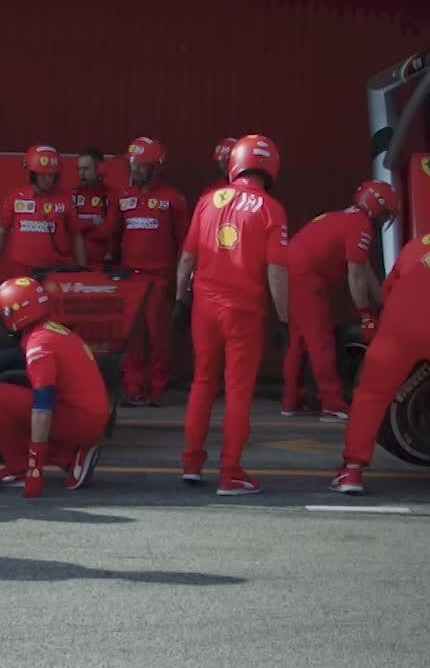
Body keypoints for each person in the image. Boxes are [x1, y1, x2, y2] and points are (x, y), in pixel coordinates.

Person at [175, 134, 288, 495]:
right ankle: (230, 473)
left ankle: (191, 463)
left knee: (202, 384)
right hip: (244, 312)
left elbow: (187, 260)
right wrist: (284, 319)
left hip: (205, 309)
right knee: (238, 392)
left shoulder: (207, 202)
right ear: (269, 167)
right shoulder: (271, 208)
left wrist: (180, 301)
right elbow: (276, 272)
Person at [282, 180, 398, 422]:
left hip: (293, 271)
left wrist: (386, 304)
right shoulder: (361, 226)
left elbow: (365, 272)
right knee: (321, 342)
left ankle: (292, 400)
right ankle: (332, 403)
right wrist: (367, 313)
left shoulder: (350, 219)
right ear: (377, 208)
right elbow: (356, 276)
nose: (385, 221)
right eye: (386, 214)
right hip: (306, 278)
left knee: (300, 340)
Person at [0, 276, 109, 497]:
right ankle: (69, 458)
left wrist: (35, 468)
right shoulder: (53, 331)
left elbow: (43, 406)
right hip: (89, 414)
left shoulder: (38, 345)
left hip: (81, 420)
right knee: (17, 400)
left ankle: (24, 466)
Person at [334, 233, 430, 494]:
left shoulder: (417, 244)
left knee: (369, 397)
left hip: (398, 332)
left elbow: (388, 290)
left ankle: (351, 471)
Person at [105, 136, 188, 407]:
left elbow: (184, 243)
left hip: (158, 279)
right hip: (129, 277)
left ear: (155, 168)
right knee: (133, 337)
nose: (135, 170)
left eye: (141, 165)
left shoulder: (172, 200)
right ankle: (132, 387)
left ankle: (157, 388)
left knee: (158, 337)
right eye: (133, 165)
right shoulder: (123, 198)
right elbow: (112, 235)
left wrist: (181, 282)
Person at [0, 144, 86, 281]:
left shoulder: (66, 200)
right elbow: (2, 232)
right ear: (32, 174)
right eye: (44, 175)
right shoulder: (16, 198)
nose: (49, 180)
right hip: (21, 273)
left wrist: (82, 269)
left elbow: (76, 236)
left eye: (52, 175)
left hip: (55, 273)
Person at [72, 147, 116, 269]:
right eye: (79, 169)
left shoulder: (112, 195)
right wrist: (91, 222)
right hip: (73, 266)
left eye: (86, 169)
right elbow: (69, 230)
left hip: (102, 267)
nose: (81, 173)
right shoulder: (72, 194)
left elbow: (109, 231)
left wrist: (80, 230)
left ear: (99, 169)